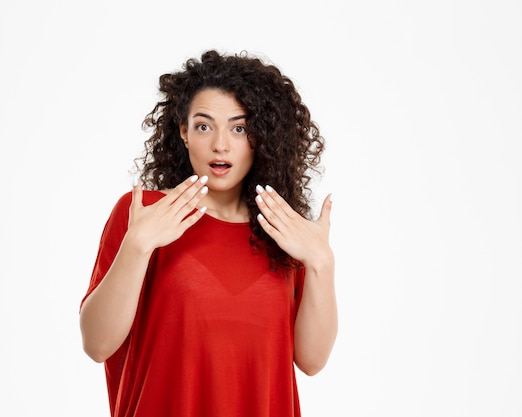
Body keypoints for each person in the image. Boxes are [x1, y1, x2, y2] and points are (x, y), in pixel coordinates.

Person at [79, 49, 337, 417]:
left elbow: (311, 361)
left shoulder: (282, 228)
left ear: (260, 136)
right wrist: (137, 246)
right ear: (183, 132)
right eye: (204, 125)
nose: (220, 143)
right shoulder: (144, 212)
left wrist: (321, 263)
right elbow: (97, 343)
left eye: (239, 127)